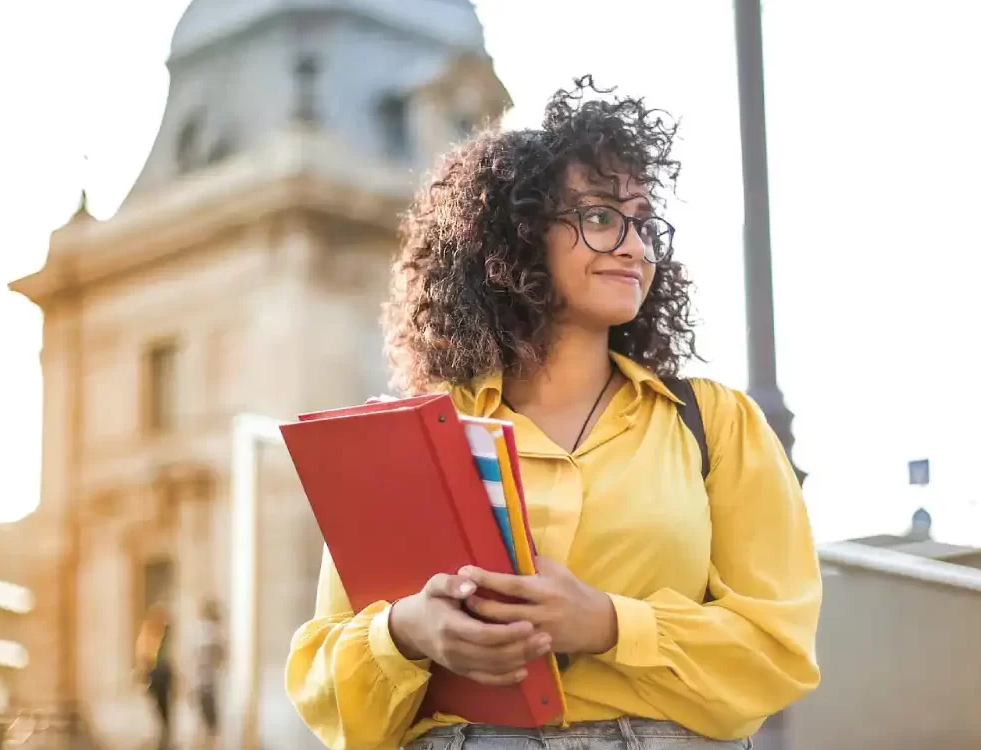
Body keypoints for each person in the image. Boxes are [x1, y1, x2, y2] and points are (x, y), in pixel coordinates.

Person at [285, 76, 822, 750]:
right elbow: (325, 687)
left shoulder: (716, 424)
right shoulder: (419, 437)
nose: (634, 246)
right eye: (600, 217)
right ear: (518, 236)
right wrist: (408, 631)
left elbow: (779, 649)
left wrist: (607, 623)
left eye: (644, 222)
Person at [135, 603, 174, 750]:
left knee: (163, 709)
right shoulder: (149, 635)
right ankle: (160, 737)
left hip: (161, 674)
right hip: (156, 674)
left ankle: (163, 738)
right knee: (159, 709)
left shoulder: (160, 636)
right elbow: (145, 657)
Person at [195, 599, 225, 748]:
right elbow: (217, 657)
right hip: (207, 684)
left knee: (206, 724)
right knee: (210, 725)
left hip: (203, 683)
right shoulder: (211, 632)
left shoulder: (201, 631)